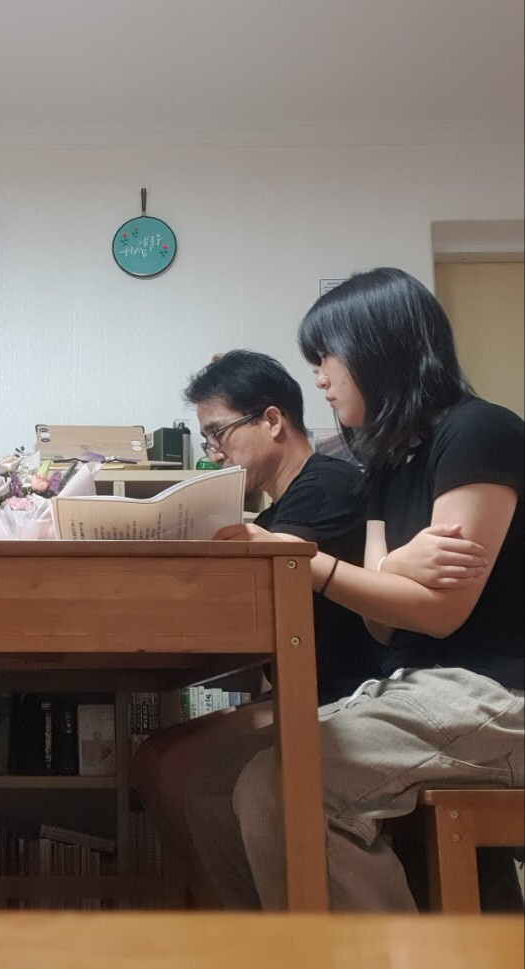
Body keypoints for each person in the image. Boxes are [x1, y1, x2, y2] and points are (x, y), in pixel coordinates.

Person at [195, 267, 523, 910]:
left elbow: (440, 615)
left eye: (326, 358)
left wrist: (304, 562)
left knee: (280, 786)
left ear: (377, 349)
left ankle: (380, 963)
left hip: (496, 692)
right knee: (211, 782)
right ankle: (287, 952)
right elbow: (382, 622)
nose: (320, 379)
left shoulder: (479, 431)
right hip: (417, 685)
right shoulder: (386, 465)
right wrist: (399, 565)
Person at [130, 349, 385, 904]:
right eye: (207, 439)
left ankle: (258, 926)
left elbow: (250, 594)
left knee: (175, 767)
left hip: (347, 695)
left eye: (218, 432)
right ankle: (241, 921)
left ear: (272, 420)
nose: (214, 452)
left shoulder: (328, 487)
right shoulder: (275, 513)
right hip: (304, 692)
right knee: (156, 758)